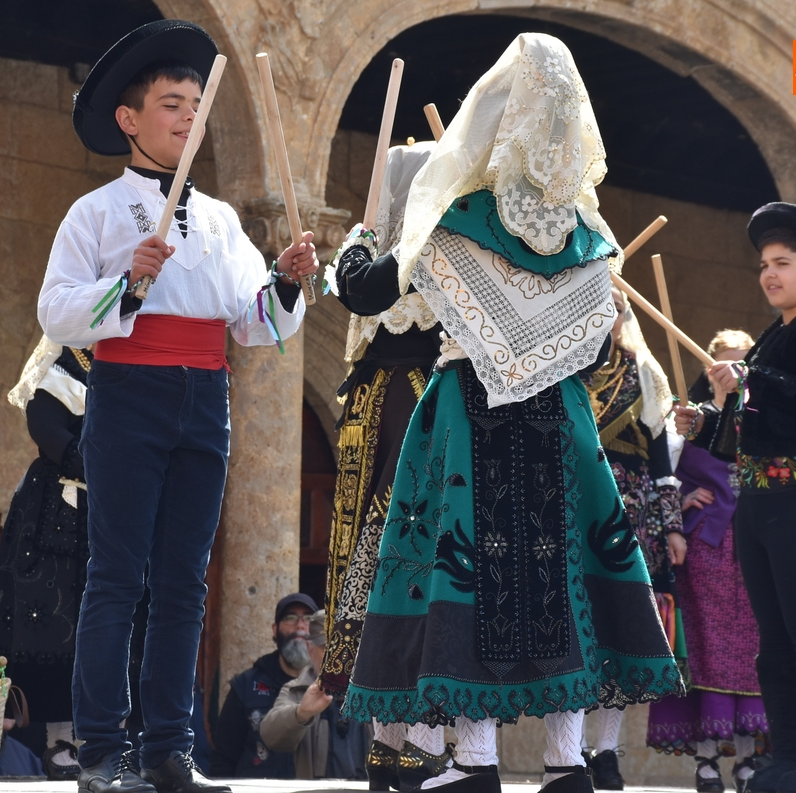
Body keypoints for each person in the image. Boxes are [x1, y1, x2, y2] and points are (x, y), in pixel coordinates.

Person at [338, 33, 682, 793]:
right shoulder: (592, 237)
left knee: (472, 567)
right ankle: (567, 763)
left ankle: (475, 761)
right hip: (561, 420)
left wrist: (361, 243)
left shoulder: (458, 215)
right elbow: (594, 351)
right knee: (564, 576)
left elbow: (366, 292)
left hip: (469, 413)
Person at [36, 19, 318, 793]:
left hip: (205, 396)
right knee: (116, 575)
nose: (189, 116)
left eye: (196, 105)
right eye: (171, 104)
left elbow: (257, 323)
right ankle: (101, 749)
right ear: (129, 119)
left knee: (186, 581)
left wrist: (286, 280)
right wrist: (127, 282)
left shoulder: (222, 219)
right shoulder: (95, 213)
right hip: (129, 392)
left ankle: (168, 746)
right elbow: (56, 311)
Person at [673, 202, 796, 793]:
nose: (769, 274)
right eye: (763, 265)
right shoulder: (771, 337)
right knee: (772, 642)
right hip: (757, 506)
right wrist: (705, 422)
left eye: (782, 263)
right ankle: (785, 756)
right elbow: (749, 429)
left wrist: (753, 383)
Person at [322, 141, 448, 791]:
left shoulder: (408, 252)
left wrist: (360, 242)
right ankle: (399, 747)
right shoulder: (401, 255)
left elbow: (360, 287)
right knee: (393, 585)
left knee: (403, 583)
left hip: (402, 414)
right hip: (399, 419)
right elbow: (361, 293)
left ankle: (406, 747)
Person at [647, 330, 768, 793]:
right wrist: (680, 504)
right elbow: (660, 473)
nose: (734, 372)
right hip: (705, 551)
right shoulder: (687, 420)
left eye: (743, 364)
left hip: (756, 547)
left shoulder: (764, 419)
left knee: (755, 652)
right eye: (726, 363)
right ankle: (706, 759)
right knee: (705, 651)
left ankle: (749, 758)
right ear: (709, 367)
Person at [578, 286, 682, 790]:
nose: (605, 317)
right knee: (576, 629)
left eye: (613, 310)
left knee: (620, 629)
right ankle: (569, 748)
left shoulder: (644, 372)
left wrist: (673, 525)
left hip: (631, 515)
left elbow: (662, 463)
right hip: (574, 508)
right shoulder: (565, 368)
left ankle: (607, 751)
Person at [0, 338, 94, 780]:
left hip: (112, 514)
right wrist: (99, 463)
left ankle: (106, 738)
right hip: (55, 520)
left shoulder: (129, 365)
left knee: (107, 622)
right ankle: (61, 740)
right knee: (54, 625)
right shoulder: (62, 366)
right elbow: (48, 430)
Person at [210, 593, 316, 779]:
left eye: (308, 619)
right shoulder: (245, 685)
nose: (300, 625)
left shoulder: (331, 689)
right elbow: (224, 759)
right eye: (290, 618)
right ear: (275, 629)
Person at [260, 610, 369, 780]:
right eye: (329, 647)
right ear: (310, 650)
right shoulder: (298, 689)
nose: (340, 655)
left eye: (347, 645)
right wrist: (301, 713)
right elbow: (270, 736)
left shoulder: (378, 690)